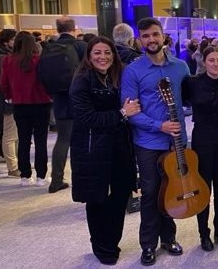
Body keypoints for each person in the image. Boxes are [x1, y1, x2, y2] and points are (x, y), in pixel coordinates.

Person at [121, 17, 190, 266]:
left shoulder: (181, 67)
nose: (151, 40)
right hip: (149, 142)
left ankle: (168, 238)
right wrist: (159, 125)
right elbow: (130, 112)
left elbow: (189, 100)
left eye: (155, 35)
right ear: (140, 40)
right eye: (146, 36)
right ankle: (148, 244)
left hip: (177, 141)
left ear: (163, 36)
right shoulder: (133, 71)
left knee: (173, 189)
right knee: (151, 192)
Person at [69, 36, 140, 265]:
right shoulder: (81, 80)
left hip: (120, 145)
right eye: (97, 53)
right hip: (92, 147)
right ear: (89, 56)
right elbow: (87, 117)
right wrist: (121, 113)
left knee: (120, 194)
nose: (103, 57)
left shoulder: (118, 76)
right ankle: (101, 245)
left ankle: (112, 241)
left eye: (107, 53)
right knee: (97, 197)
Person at [183, 47, 218, 251]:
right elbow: (182, 102)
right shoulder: (192, 83)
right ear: (204, 62)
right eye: (211, 60)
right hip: (202, 137)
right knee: (203, 187)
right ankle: (203, 233)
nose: (215, 64)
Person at [0, 31, 52, 187]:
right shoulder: (40, 60)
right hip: (41, 104)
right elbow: (46, 81)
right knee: (41, 141)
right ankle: (41, 177)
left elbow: (3, 83)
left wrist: (9, 96)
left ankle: (25, 176)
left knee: (23, 140)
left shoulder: (8, 60)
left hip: (20, 105)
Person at [43, 16, 87, 193]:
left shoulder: (48, 49)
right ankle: (82, 177)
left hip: (60, 101)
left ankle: (56, 179)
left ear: (57, 28)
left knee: (62, 140)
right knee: (83, 142)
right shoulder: (81, 46)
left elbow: (42, 77)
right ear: (74, 28)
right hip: (81, 102)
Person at [0, 29, 19, 177]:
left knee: (13, 133)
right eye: (13, 39)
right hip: (6, 100)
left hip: (8, 99)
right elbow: (1, 83)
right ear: (6, 41)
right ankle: (12, 166)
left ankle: (15, 164)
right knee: (10, 134)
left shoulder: (3, 56)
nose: (15, 42)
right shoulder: (2, 58)